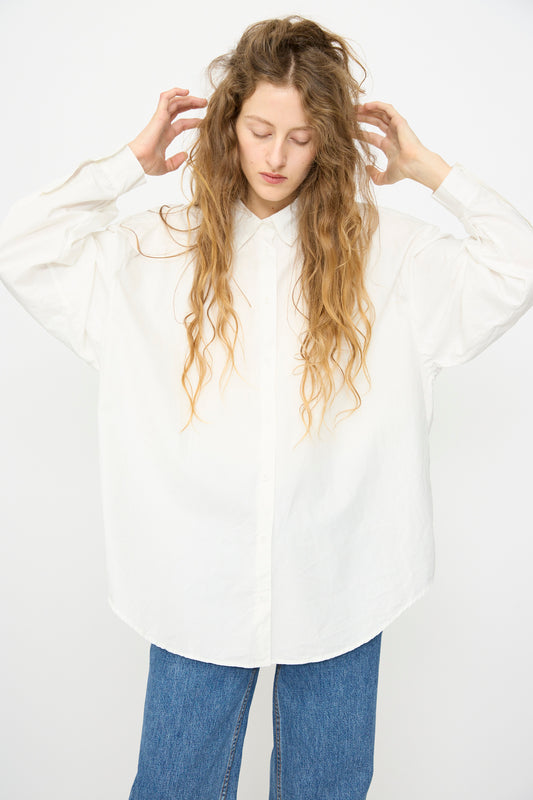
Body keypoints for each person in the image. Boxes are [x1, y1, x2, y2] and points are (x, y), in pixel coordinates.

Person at [0, 14, 532, 800]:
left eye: (302, 136)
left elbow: (515, 268)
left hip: (343, 578)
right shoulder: (156, 250)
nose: (277, 157)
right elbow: (22, 248)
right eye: (259, 130)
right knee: (173, 787)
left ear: (331, 141)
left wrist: (429, 171)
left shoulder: (391, 255)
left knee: (328, 790)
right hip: (196, 585)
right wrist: (126, 166)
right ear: (228, 127)